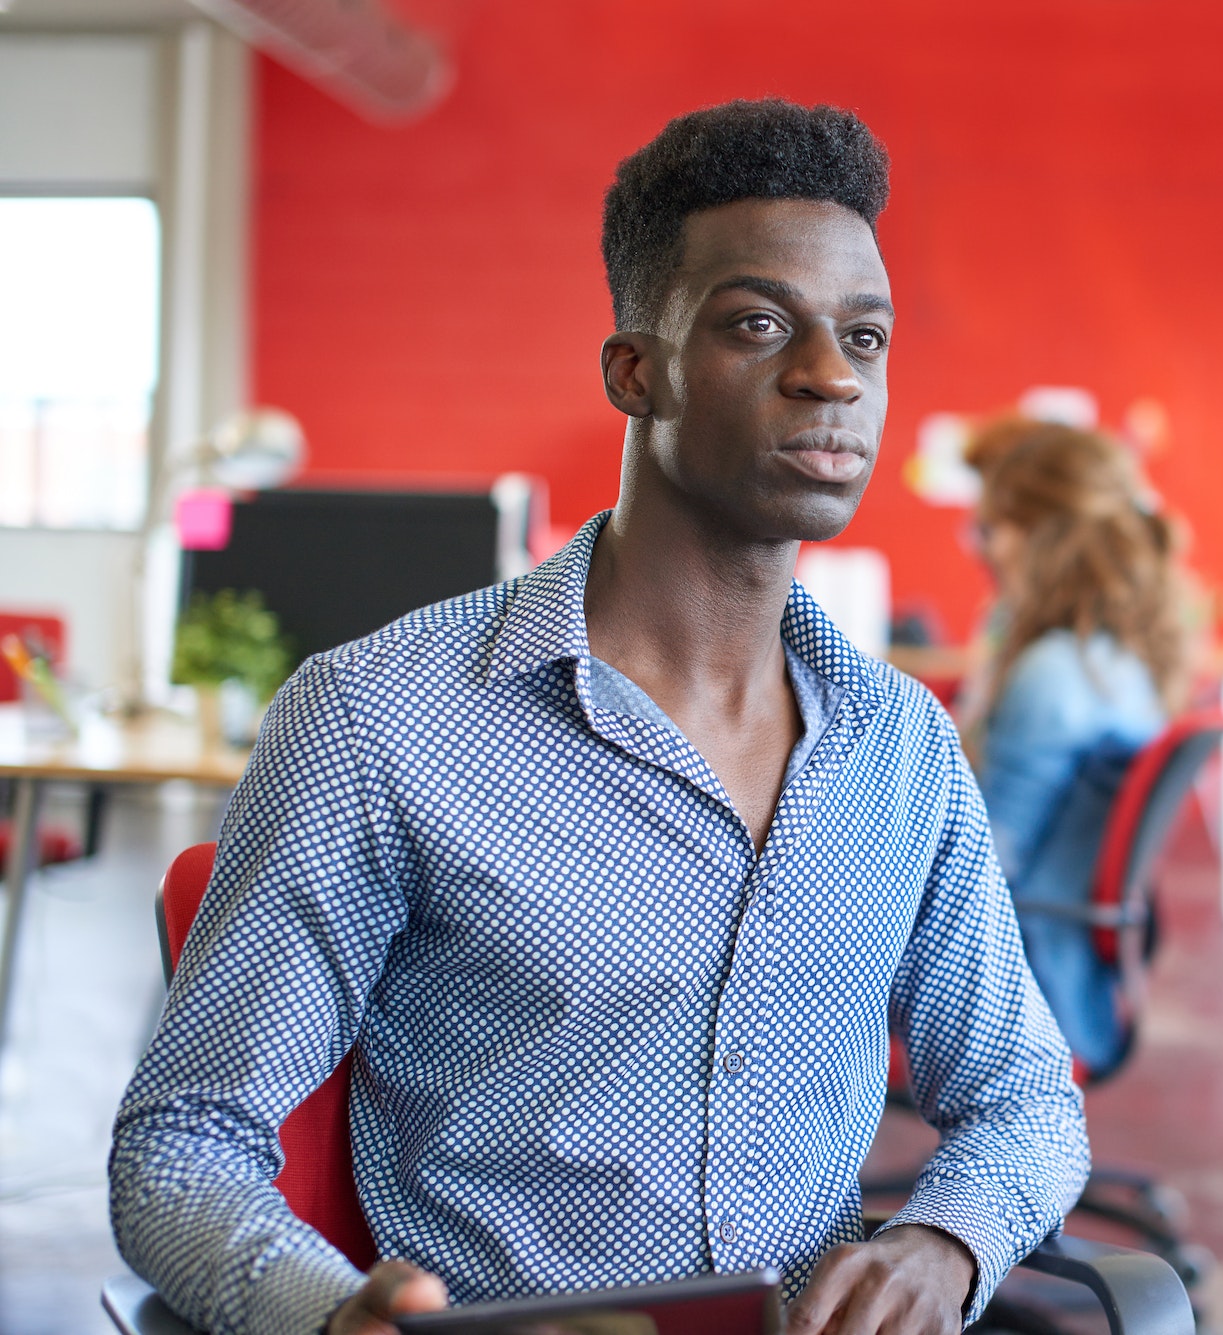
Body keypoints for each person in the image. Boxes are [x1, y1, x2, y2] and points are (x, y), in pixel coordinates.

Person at [109, 100, 1087, 1335]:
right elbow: (182, 1149)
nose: (831, 375)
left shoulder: (899, 746)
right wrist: (334, 1316)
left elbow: (1024, 1099)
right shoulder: (380, 723)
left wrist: (944, 1241)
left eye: (865, 336)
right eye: (757, 323)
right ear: (636, 369)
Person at [961, 421, 1187, 1076]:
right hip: (1067, 973)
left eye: (993, 528)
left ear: (1043, 536)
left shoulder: (1054, 674)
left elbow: (984, 865)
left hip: (1015, 989)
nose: (983, 549)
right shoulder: (1111, 663)